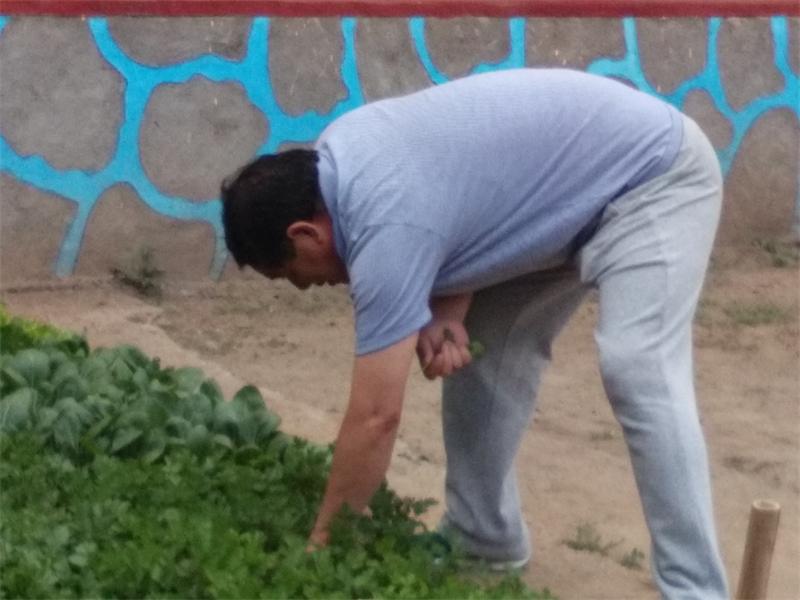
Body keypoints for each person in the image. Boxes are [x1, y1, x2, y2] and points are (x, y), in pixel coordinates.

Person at [220, 68, 729, 599]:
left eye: (292, 273)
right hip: (562, 201)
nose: (306, 286)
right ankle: (484, 539)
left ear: (305, 233)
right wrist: (447, 308)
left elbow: (376, 417)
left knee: (637, 365)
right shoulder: (337, 159)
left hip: (654, 177)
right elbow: (465, 201)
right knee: (487, 359)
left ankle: (695, 590)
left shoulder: (381, 221)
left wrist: (322, 550)